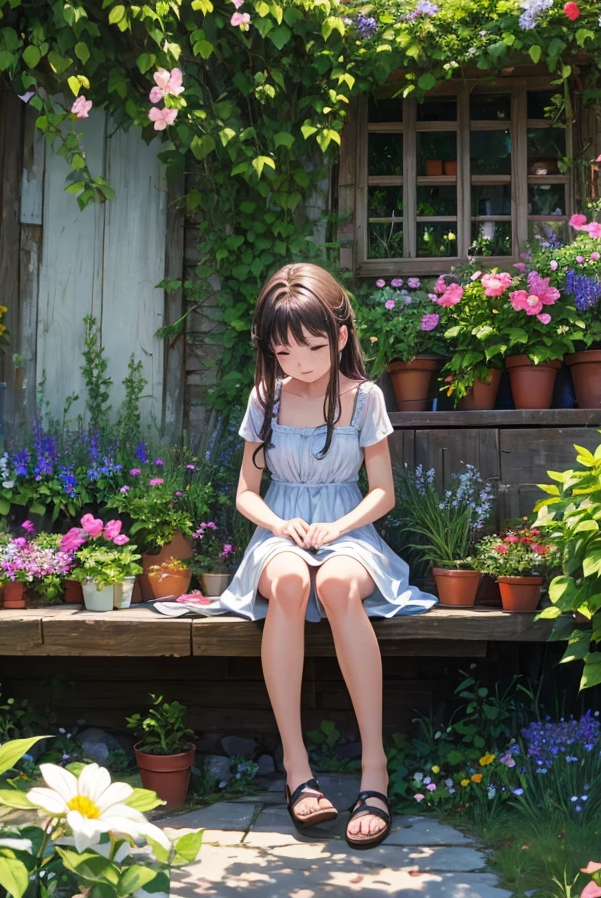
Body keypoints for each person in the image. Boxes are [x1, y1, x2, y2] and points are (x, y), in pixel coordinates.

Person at [219, 262, 437, 849]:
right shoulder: (264, 398)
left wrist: (337, 526)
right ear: (270, 349)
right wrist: (280, 523)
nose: (303, 363)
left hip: (350, 528)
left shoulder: (363, 397)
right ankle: (298, 769)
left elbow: (383, 492)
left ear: (340, 335)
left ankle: (374, 770)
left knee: (337, 585)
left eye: (314, 347)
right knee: (290, 583)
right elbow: (245, 494)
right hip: (280, 532)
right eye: (286, 352)